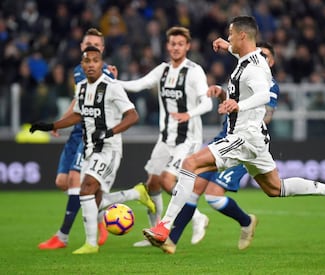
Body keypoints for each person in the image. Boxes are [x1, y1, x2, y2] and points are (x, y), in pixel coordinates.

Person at [142, 16, 325, 248]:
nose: (228, 37)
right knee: (275, 188)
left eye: (230, 34)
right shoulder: (246, 57)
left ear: (242, 35)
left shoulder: (256, 68)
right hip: (255, 140)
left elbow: (263, 95)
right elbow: (241, 54)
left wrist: (240, 105)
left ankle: (164, 227)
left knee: (190, 165)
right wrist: (226, 49)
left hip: (243, 137)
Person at [160, 41, 279, 254]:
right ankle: (170, 240)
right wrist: (222, 96)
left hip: (244, 144)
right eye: (260, 53)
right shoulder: (244, 73)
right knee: (195, 188)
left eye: (267, 56)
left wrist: (244, 114)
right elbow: (233, 104)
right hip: (223, 137)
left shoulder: (270, 85)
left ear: (272, 61)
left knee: (214, 197)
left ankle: (246, 221)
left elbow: (265, 116)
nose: (263, 58)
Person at [30, 46, 152, 254]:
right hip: (89, 149)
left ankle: (91, 244)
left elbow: (133, 116)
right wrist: (52, 126)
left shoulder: (111, 87)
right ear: (82, 65)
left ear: (101, 64)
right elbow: (78, 115)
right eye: (87, 61)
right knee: (94, 200)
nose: (91, 65)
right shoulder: (83, 88)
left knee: (85, 188)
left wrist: (110, 132)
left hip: (109, 149)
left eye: (96, 61)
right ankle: (135, 193)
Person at [116, 26, 213, 247]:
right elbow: (139, 85)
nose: (176, 47)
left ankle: (198, 218)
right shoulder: (162, 70)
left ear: (187, 46)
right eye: (172, 44)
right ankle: (155, 235)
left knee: (168, 179)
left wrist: (188, 114)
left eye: (180, 44)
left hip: (187, 138)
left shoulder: (194, 71)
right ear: (167, 46)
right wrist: (112, 82)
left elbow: (207, 102)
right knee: (153, 184)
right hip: (165, 137)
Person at [37, 28, 117, 250]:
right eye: (87, 44)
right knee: (62, 182)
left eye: (96, 45)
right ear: (82, 47)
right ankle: (102, 213)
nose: (90, 47)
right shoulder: (78, 70)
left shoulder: (105, 72)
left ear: (102, 49)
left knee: (75, 179)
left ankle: (62, 236)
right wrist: (60, 123)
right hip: (76, 133)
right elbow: (79, 100)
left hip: (90, 134)